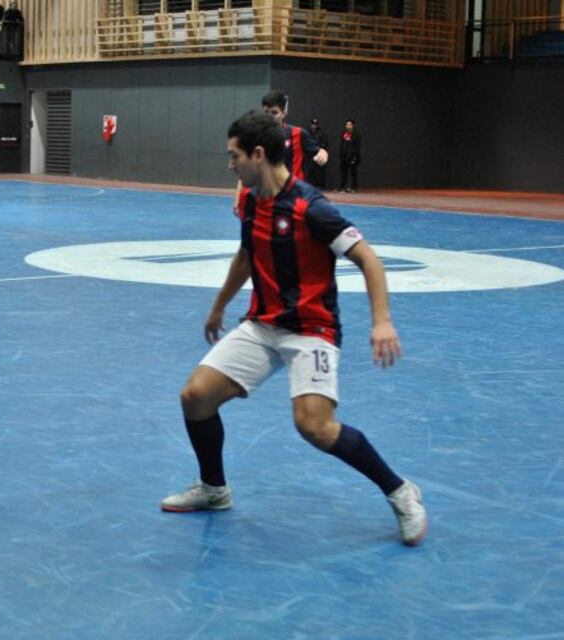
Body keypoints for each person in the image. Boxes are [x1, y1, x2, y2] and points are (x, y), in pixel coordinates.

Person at [160, 111, 427, 547]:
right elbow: (247, 254)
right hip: (263, 324)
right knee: (195, 396)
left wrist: (382, 322)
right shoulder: (249, 200)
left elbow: (369, 260)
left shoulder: (313, 208)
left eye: (234, 157)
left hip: (311, 330)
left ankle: (401, 491)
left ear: (258, 155)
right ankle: (214, 489)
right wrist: (219, 305)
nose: (230, 166)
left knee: (315, 426)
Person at [337, 118, 361, 193]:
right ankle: (342, 187)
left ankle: (354, 188)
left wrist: (355, 157)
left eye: (350, 124)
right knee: (343, 173)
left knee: (353, 173)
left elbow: (357, 147)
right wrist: (341, 155)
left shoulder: (356, 135)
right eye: (347, 124)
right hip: (344, 157)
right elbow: (341, 145)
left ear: (353, 125)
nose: (348, 126)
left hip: (352, 157)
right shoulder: (344, 134)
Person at [306, 117, 329, 189]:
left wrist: (318, 149)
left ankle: (320, 186)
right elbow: (306, 143)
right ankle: (311, 185)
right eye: (313, 124)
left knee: (319, 171)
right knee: (310, 170)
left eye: (315, 125)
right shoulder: (307, 133)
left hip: (319, 154)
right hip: (310, 155)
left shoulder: (321, 133)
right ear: (311, 125)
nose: (314, 126)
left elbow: (325, 143)